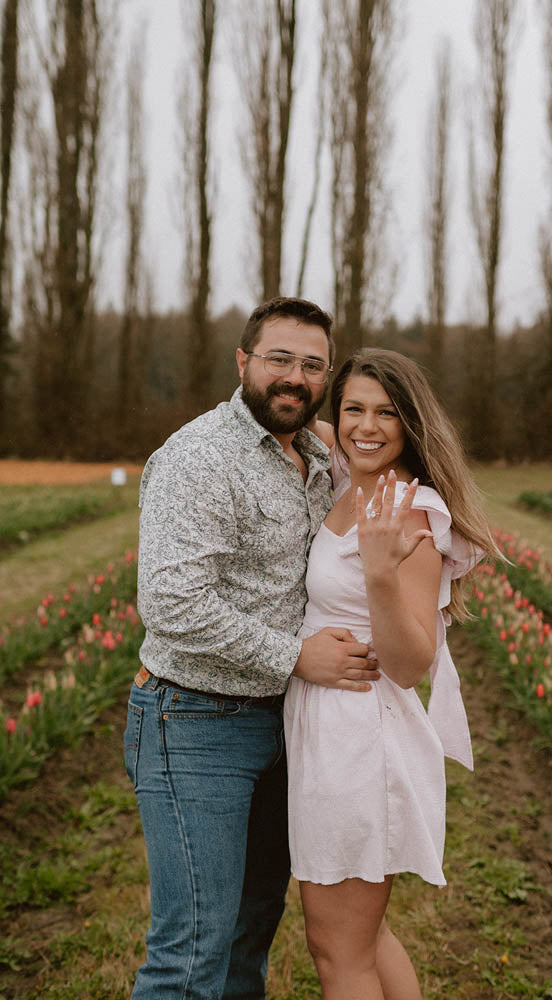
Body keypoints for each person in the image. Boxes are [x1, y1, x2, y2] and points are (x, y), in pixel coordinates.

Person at [123, 297, 380, 999]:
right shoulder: (199, 458)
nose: (294, 377)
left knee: (249, 930)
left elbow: (396, 465)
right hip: (196, 722)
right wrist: (295, 655)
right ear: (243, 363)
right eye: (278, 360)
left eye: (311, 365)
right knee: (193, 949)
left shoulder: (320, 455)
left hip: (285, 725)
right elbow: (172, 604)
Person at [284, 348, 501, 999]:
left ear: (410, 422)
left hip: (361, 737)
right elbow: (312, 426)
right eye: (353, 409)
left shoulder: (409, 510)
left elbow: (410, 664)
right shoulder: (353, 480)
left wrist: (379, 574)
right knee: (363, 940)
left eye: (385, 412)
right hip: (327, 731)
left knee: (338, 952)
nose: (366, 426)